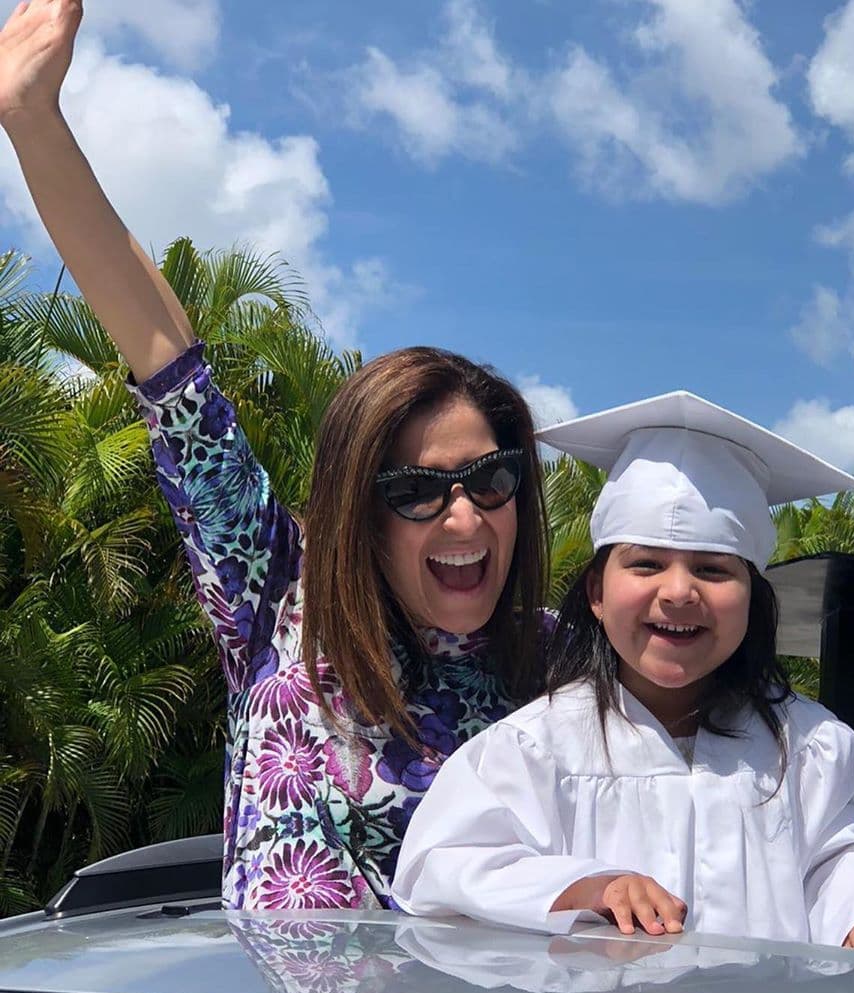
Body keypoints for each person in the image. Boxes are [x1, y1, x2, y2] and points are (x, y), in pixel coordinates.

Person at [1, 0, 548, 908]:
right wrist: (31, 120)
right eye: (416, 490)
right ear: (359, 514)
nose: (465, 515)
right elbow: (169, 367)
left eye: (491, 481)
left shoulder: (554, 663)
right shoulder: (282, 603)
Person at [392, 391, 854, 956]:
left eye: (715, 570)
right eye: (646, 564)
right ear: (597, 593)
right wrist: (585, 886)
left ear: (752, 598)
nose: (679, 592)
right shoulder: (533, 748)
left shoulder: (808, 746)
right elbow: (441, 868)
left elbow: (832, 857)